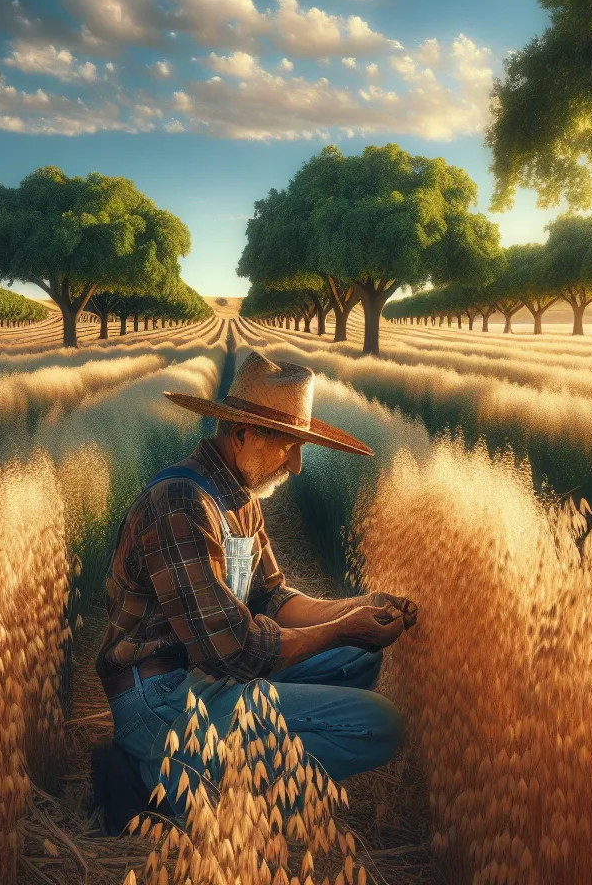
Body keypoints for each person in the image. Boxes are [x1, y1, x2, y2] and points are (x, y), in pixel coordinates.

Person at [91, 351, 419, 832]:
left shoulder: (238, 495)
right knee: (381, 726)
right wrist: (341, 629)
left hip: (207, 680)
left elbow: (275, 599)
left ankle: (211, 767)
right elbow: (235, 651)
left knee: (361, 657)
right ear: (243, 434)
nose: (298, 465)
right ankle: (177, 793)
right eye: (289, 445)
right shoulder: (181, 504)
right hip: (162, 698)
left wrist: (358, 608)